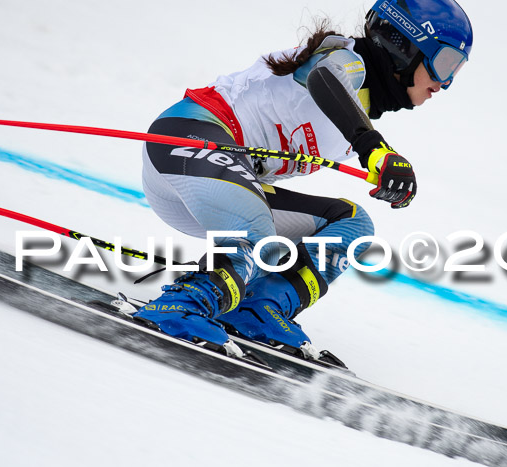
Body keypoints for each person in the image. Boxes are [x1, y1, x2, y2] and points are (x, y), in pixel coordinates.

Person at [133, 0, 473, 359]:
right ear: (403, 46)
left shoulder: (360, 109)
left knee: (352, 225)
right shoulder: (345, 61)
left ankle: (258, 308)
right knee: (255, 229)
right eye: (444, 64)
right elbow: (323, 80)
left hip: (218, 189)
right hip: (183, 145)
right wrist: (373, 148)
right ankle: (180, 306)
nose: (445, 83)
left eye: (456, 70)